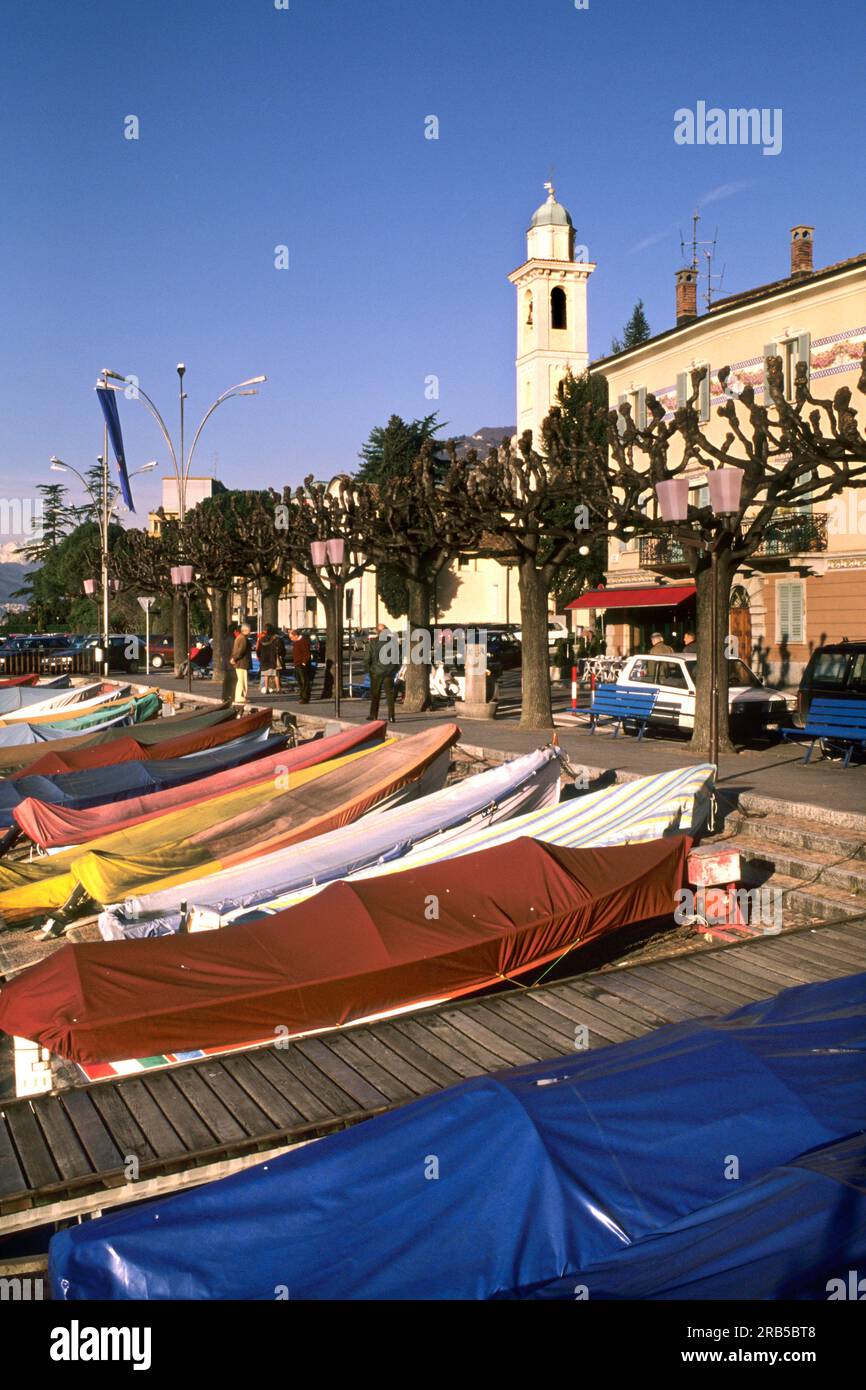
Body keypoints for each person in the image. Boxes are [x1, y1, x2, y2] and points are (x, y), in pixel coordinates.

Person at [364, 622, 400, 723]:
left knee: (375, 694)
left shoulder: (373, 642)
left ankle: (373, 715)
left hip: (376, 672)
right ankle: (391, 716)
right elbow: (397, 658)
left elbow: (367, 658)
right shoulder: (393, 642)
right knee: (390, 695)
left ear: (377, 631)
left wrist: (369, 670)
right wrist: (393, 669)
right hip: (388, 672)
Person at [229, 623, 252, 706]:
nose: (250, 632)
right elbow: (241, 651)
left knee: (241, 680)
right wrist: (234, 658)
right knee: (242, 680)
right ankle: (240, 697)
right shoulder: (243, 639)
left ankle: (240, 697)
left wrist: (233, 658)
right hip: (242, 662)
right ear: (245, 630)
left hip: (239, 662)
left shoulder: (239, 638)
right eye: (249, 630)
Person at [288, 628, 313, 703]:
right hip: (297, 664)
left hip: (302, 665)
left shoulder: (303, 641)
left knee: (304, 681)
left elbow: (307, 653)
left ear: (295, 635)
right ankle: (302, 696)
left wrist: (304, 662)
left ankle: (305, 697)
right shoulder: (296, 642)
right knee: (300, 681)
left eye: (291, 637)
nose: (291, 639)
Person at [256, 624, 281, 695]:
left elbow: (258, 650)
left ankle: (266, 688)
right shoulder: (275, 639)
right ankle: (278, 688)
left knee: (266, 675)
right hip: (273, 658)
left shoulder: (262, 639)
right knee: (275, 674)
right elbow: (279, 648)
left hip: (264, 659)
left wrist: (260, 657)